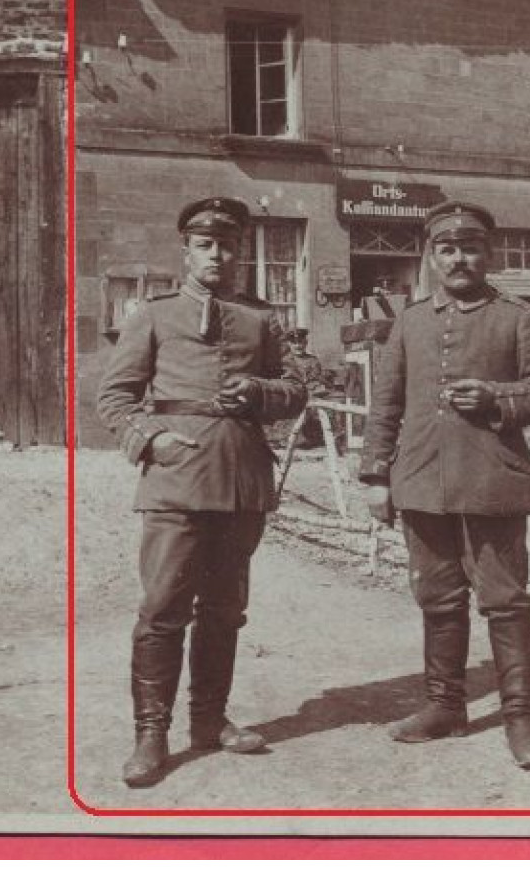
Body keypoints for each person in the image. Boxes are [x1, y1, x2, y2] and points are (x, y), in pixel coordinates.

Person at [97, 196, 309, 788]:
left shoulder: (262, 318)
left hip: (241, 481)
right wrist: (151, 441)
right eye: (205, 245)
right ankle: (150, 735)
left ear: (241, 250)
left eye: (228, 245)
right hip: (174, 482)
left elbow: (297, 388)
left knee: (224, 612)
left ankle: (209, 721)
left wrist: (262, 392)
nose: (218, 255)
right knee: (163, 610)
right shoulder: (154, 316)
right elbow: (112, 399)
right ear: (185, 251)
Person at [358, 200, 530, 770]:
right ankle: (444, 706)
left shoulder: (518, 318)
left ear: (488, 253)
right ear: (430, 257)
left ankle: (521, 716)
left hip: (493, 480)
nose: (458, 259)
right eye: (446, 249)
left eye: (470, 248)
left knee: (505, 600)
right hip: (421, 482)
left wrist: (498, 397)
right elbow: (386, 405)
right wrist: (377, 476)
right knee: (437, 597)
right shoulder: (411, 320)